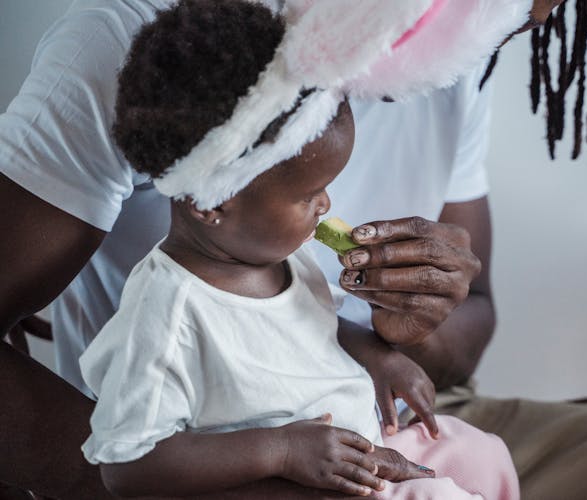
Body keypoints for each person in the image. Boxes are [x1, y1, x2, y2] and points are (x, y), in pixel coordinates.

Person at [0, 0, 587, 498]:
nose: (538, 15)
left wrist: (402, 337)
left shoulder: (456, 56)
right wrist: (268, 468)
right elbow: (125, 460)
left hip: (365, 418)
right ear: (210, 200)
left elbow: (452, 326)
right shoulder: (147, 55)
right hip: (209, 456)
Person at [77, 2, 519, 498]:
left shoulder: (286, 258)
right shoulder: (165, 314)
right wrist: (281, 451)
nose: (327, 204)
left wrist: (380, 356)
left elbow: (318, 328)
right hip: (302, 481)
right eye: (309, 196)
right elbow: (128, 467)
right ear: (214, 202)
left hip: (362, 443)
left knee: (483, 455)